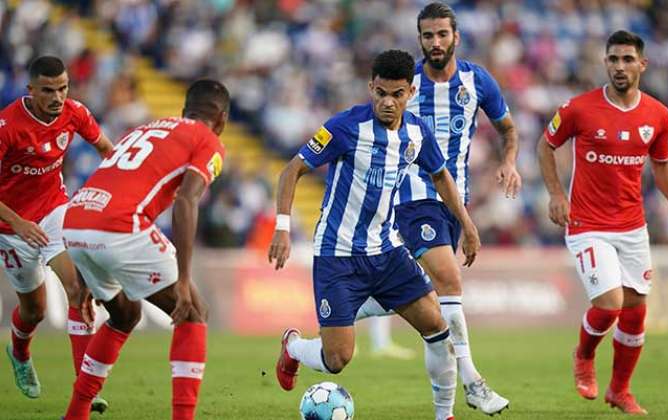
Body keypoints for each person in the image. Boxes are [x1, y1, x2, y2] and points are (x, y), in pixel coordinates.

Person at [269, 49, 481, 420]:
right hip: (338, 255)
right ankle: (294, 347)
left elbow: (440, 175)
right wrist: (282, 229)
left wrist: (466, 223)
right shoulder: (344, 128)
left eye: (396, 94)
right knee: (337, 359)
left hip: (386, 251)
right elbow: (291, 171)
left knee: (437, 326)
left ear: (410, 93)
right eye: (380, 92)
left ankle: (444, 415)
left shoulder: (416, 132)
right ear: (370, 87)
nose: (387, 101)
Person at [354, 2, 519, 415]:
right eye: (427, 35)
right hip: (411, 197)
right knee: (448, 282)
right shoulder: (403, 85)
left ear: (456, 37)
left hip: (453, 201)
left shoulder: (476, 80)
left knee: (418, 297)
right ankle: (473, 382)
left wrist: (509, 161)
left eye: (442, 34)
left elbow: (508, 129)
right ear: (420, 39)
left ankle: (340, 310)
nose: (435, 42)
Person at [537, 30, 668, 415]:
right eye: (613, 59)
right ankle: (584, 355)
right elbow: (545, 145)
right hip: (587, 223)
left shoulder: (658, 115)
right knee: (609, 305)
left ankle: (619, 391)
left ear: (642, 64)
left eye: (627, 59)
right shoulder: (579, 108)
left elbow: (660, 163)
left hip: (632, 226)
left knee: (637, 309)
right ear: (605, 63)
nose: (619, 66)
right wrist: (557, 194)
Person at [60, 79, 229, 420]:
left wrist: (84, 268)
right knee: (194, 311)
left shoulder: (147, 127)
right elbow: (186, 200)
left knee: (125, 314)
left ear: (184, 111)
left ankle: (75, 414)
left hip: (76, 221)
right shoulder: (208, 141)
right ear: (222, 120)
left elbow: (107, 179)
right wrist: (183, 279)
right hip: (119, 227)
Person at [0, 56, 114, 412]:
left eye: (62, 88)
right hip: (11, 225)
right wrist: (18, 223)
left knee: (79, 289)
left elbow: (108, 151)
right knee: (34, 311)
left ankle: (85, 386)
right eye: (48, 90)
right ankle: (19, 351)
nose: (57, 96)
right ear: (30, 90)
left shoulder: (75, 113)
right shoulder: (7, 127)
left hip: (53, 211)